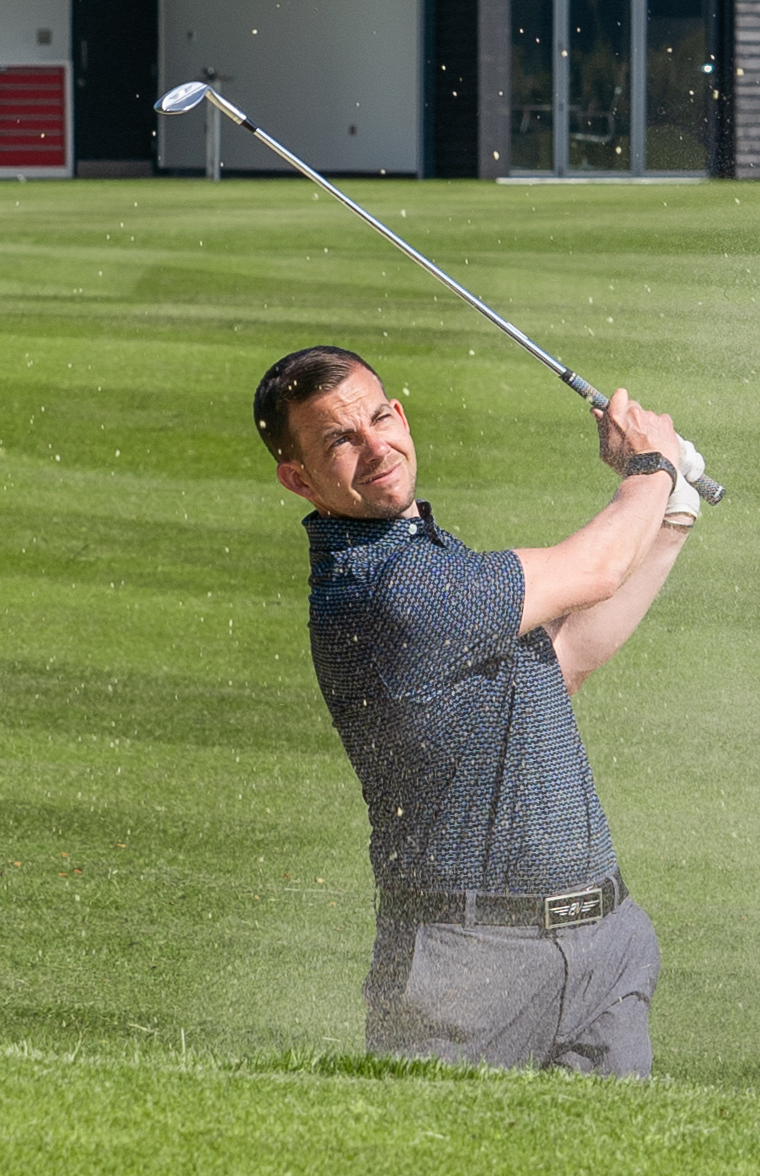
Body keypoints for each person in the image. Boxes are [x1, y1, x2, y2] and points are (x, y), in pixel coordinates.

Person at [261, 342, 707, 1074]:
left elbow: (560, 662)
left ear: (400, 414)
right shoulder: (385, 587)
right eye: (339, 439)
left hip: (602, 945)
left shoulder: (425, 555)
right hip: (467, 969)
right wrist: (649, 469)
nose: (375, 446)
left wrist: (670, 514)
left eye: (378, 417)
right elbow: (593, 566)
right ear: (296, 476)